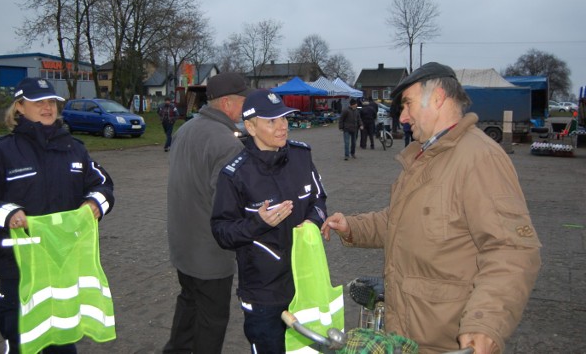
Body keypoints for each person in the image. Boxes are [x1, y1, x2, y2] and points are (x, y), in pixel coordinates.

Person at [321, 62, 541, 354]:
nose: (402, 116)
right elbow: (399, 221)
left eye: (408, 104)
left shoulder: (479, 158)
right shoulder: (426, 156)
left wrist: (485, 322)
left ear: (438, 98)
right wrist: (352, 227)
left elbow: (513, 249)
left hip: (445, 340)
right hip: (409, 335)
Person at [0, 77, 115, 353]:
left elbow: (102, 184)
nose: (47, 107)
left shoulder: (74, 148)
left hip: (63, 267)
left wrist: (94, 203)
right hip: (16, 270)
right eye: (38, 102)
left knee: (63, 345)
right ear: (19, 107)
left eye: (51, 101)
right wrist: (7, 213)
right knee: (22, 346)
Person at [210, 89, 328, 354]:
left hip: (306, 282)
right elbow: (221, 231)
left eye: (284, 118)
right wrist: (258, 223)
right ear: (250, 127)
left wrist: (312, 221)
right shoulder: (235, 174)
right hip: (263, 293)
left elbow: (319, 200)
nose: (282, 126)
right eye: (271, 121)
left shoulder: (301, 156)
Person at [164, 72, 253, 354]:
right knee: (212, 320)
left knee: (188, 303)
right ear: (227, 103)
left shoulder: (185, 130)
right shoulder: (228, 143)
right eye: (243, 101)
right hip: (210, 252)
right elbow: (228, 204)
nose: (246, 107)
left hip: (183, 244)